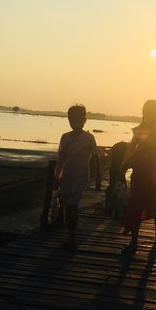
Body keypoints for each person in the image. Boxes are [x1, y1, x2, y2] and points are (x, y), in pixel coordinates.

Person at [122, 99, 156, 254]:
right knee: (136, 203)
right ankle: (134, 240)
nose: (155, 114)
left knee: (155, 200)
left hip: (154, 169)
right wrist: (123, 165)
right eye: (152, 111)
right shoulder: (141, 127)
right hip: (140, 169)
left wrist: (147, 140)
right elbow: (131, 147)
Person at [55, 104, 101, 251]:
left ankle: (72, 238)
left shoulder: (88, 138)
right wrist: (57, 175)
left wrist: (98, 177)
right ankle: (67, 231)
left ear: (84, 120)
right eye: (72, 119)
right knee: (64, 203)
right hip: (67, 176)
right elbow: (61, 158)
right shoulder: (65, 137)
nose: (74, 122)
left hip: (81, 177)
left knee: (72, 206)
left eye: (78, 119)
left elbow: (95, 157)